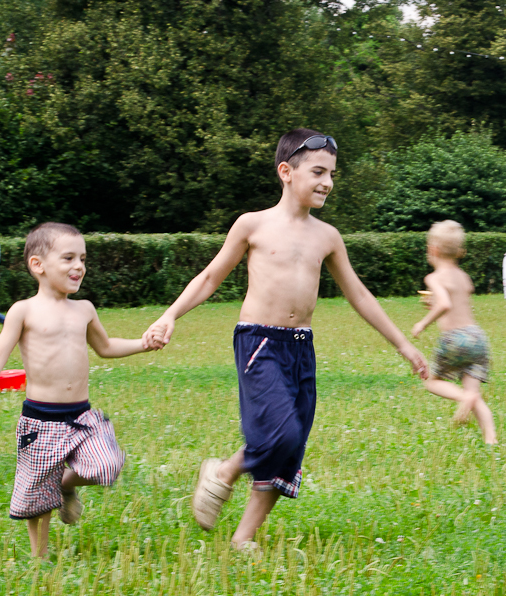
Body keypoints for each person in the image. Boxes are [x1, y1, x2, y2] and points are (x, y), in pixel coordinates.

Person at [141, 128, 429, 549]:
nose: (327, 182)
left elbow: (359, 294)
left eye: (331, 173)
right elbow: (209, 278)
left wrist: (404, 345)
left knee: (292, 446)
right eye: (317, 171)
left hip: (301, 347)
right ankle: (224, 471)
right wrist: (170, 315)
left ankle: (244, 537)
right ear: (286, 172)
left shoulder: (326, 237)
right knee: (282, 434)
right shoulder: (253, 225)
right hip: (259, 342)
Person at [0, 222, 160, 558]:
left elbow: (106, 346)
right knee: (37, 498)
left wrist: (143, 344)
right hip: (41, 421)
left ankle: (65, 485)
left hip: (82, 417)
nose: (79, 265)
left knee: (107, 465)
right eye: (68, 257)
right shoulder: (24, 310)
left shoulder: (84, 309)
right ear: (38, 265)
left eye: (82, 258)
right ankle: (39, 557)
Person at [411, 221, 496, 444]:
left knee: (432, 382)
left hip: (454, 338)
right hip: (477, 337)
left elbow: (445, 305)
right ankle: (491, 440)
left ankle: (464, 397)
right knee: (475, 394)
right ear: (459, 251)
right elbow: (458, 303)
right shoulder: (463, 277)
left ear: (433, 250)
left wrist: (423, 322)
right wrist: (437, 303)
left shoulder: (434, 277)